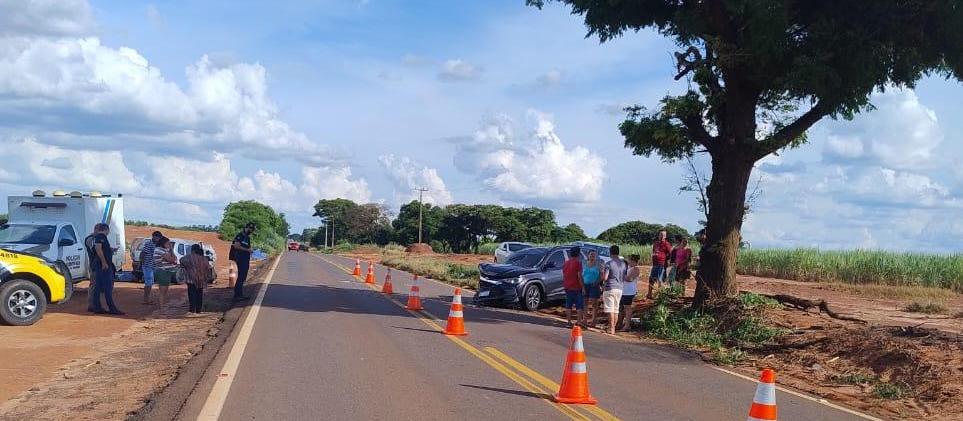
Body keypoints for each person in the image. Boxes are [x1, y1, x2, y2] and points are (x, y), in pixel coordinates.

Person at [85, 223, 124, 315]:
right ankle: (101, 306)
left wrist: (109, 250)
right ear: (106, 229)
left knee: (98, 287)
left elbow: (99, 249)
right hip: (100, 266)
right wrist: (104, 262)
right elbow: (98, 249)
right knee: (101, 287)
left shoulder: (95, 238)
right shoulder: (98, 237)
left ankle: (97, 307)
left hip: (98, 265)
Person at [601, 245, 627, 335]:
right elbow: (625, 277)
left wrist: (602, 272)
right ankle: (613, 328)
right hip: (620, 288)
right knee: (616, 309)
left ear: (610, 253)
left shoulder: (609, 263)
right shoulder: (623, 264)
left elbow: (605, 277)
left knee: (610, 309)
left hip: (610, 287)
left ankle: (611, 328)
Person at [181, 244, 212, 315]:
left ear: (193, 250)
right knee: (199, 294)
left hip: (191, 279)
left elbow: (181, 261)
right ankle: (198, 309)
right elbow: (208, 268)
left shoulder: (189, 257)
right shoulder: (204, 259)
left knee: (192, 294)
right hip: (201, 279)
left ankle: (192, 309)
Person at [230, 223, 256, 301]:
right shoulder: (240, 236)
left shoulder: (246, 237)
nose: (251, 230)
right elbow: (236, 246)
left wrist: (249, 251)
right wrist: (247, 250)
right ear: (246, 228)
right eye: (250, 229)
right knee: (241, 277)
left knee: (243, 277)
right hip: (240, 259)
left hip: (245, 259)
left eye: (252, 229)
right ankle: (237, 296)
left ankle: (239, 294)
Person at [561, 246, 585, 327]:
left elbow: (564, 274)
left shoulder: (566, 263)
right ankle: (579, 322)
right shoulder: (578, 263)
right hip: (576, 286)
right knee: (579, 305)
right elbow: (579, 276)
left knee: (569, 305)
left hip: (567, 286)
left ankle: (568, 322)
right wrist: (583, 287)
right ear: (578, 254)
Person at [618, 255, 642, 331]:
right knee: (621, 308)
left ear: (633, 261)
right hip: (623, 290)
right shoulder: (628, 268)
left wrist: (620, 275)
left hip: (628, 291)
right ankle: (619, 323)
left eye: (629, 260)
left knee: (627, 308)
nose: (628, 262)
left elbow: (630, 279)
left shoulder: (635, 269)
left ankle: (627, 325)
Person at [647, 230, 673, 299]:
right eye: (661, 234)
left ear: (665, 236)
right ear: (659, 235)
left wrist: (665, 258)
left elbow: (671, 254)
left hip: (662, 264)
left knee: (660, 279)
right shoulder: (656, 243)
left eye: (663, 235)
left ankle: (659, 295)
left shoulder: (667, 244)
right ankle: (649, 294)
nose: (662, 236)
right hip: (655, 264)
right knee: (651, 279)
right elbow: (654, 251)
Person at [582, 250, 604, 328]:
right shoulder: (584, 264)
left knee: (594, 304)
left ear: (596, 256)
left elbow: (602, 276)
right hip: (585, 285)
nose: (592, 256)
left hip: (594, 285)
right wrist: (582, 286)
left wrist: (597, 282)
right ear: (588, 255)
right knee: (585, 303)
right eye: (591, 255)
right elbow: (581, 275)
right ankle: (584, 320)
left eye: (594, 255)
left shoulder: (599, 265)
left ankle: (593, 321)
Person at [154, 236, 176, 311]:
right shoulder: (160, 250)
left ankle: (162, 306)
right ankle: (161, 308)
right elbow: (172, 260)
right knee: (162, 291)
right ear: (163, 243)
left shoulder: (163, 250)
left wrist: (170, 252)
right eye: (168, 243)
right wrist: (172, 250)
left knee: (164, 290)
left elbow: (174, 259)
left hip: (165, 271)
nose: (169, 245)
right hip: (163, 271)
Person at [141, 231, 162, 305]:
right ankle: (146, 299)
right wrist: (142, 263)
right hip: (148, 266)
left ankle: (147, 299)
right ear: (154, 237)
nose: (159, 239)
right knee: (149, 283)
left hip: (151, 266)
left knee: (150, 283)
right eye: (158, 238)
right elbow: (143, 253)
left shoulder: (155, 245)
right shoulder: (149, 244)